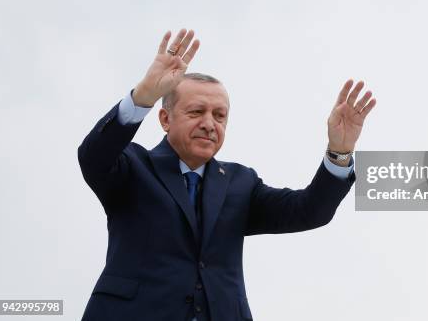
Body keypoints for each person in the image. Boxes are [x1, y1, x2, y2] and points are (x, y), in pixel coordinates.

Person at [78, 29, 376, 321]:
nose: (210, 124)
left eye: (219, 116)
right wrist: (142, 97)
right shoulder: (133, 166)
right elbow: (93, 156)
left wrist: (339, 151)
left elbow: (311, 211)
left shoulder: (240, 183)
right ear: (165, 119)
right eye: (196, 112)